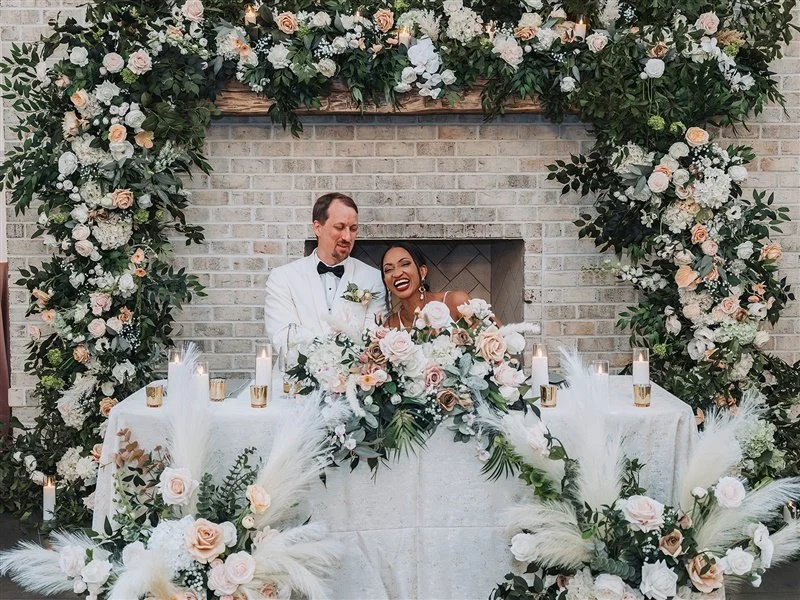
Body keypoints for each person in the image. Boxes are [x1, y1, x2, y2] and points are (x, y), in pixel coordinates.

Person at [264, 193, 384, 347]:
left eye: (353, 229)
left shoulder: (374, 278)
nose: (347, 237)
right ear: (318, 228)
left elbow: (372, 338)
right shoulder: (282, 277)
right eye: (339, 227)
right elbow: (283, 337)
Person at [380, 242, 471, 330]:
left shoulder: (457, 303)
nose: (397, 274)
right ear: (386, 282)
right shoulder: (390, 326)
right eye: (388, 269)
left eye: (405, 264)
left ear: (422, 271)